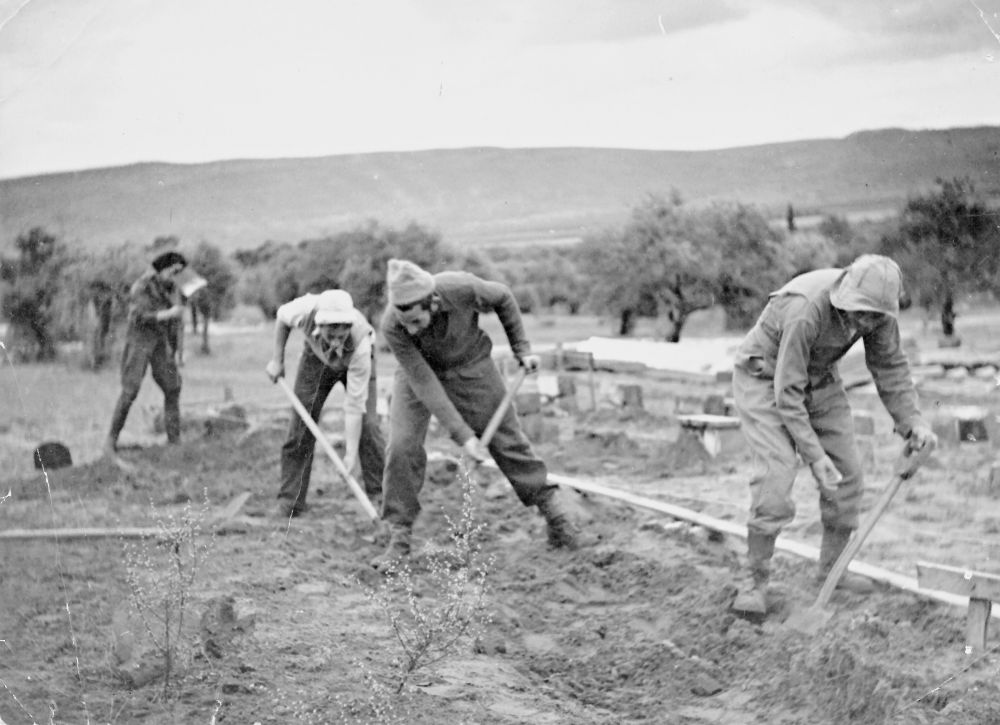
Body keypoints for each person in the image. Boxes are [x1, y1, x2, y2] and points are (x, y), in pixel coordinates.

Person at [730, 254, 937, 615]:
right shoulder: (806, 309)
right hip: (765, 378)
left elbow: (889, 366)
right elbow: (787, 392)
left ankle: (833, 572)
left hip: (819, 378)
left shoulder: (879, 314)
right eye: (860, 313)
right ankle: (754, 581)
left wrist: (912, 421)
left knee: (848, 476)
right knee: (776, 477)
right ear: (845, 294)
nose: (865, 323)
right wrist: (814, 455)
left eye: (874, 316)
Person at [371, 258, 581, 570]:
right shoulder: (392, 324)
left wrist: (521, 349)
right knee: (401, 445)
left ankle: (553, 511)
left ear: (434, 302)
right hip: (418, 374)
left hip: (471, 364)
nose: (412, 329)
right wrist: (463, 435)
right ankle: (398, 537)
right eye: (407, 325)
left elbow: (503, 298)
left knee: (506, 438)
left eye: (417, 321)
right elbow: (424, 382)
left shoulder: (460, 287)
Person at [265, 289, 386, 519]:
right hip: (315, 361)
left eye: (342, 335)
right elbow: (281, 319)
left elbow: (353, 407)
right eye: (331, 334)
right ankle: (291, 500)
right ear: (319, 326)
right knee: (301, 426)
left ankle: (380, 497)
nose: (337, 342)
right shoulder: (303, 310)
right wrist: (277, 360)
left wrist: (350, 454)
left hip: (356, 364)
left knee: (368, 426)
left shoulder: (360, 344)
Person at [104, 251, 188, 457]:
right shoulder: (142, 287)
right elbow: (139, 316)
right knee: (130, 391)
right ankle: (110, 442)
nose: (176, 276)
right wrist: (167, 314)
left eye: (180, 272)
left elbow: (177, 324)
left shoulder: (174, 288)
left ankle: (174, 440)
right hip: (139, 341)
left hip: (160, 341)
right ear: (162, 270)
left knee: (173, 386)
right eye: (174, 271)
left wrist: (178, 352)